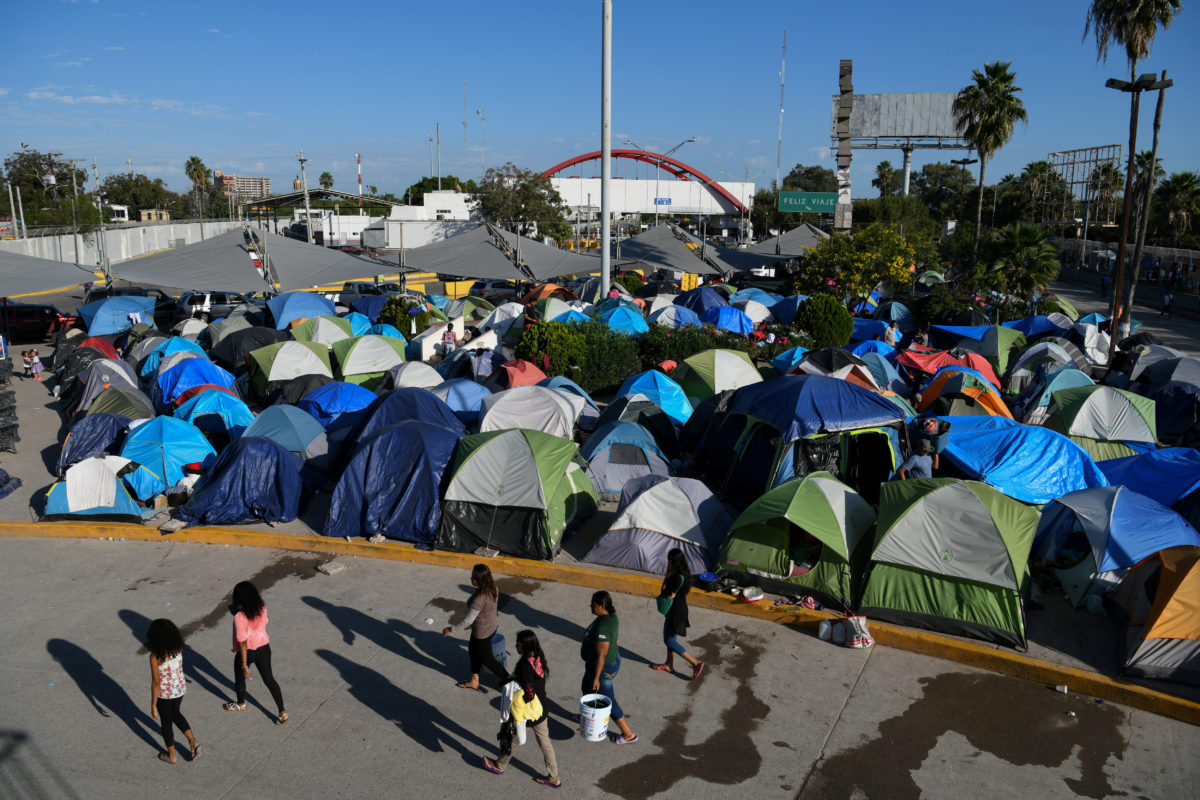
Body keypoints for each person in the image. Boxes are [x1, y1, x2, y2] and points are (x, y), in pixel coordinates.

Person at [482, 630, 561, 788]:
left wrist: (518, 704)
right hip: (542, 709)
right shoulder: (538, 656)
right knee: (545, 743)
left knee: (512, 739)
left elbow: (529, 692)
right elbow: (524, 679)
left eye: (518, 644)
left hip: (529, 713)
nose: (515, 646)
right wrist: (505, 682)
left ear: (524, 646)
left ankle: (499, 765)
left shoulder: (525, 665)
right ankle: (554, 777)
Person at [223, 581, 288, 724]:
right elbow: (263, 622)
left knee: (239, 679)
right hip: (264, 647)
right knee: (269, 679)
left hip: (248, 652)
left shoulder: (239, 616)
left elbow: (243, 641)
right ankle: (282, 711)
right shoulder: (262, 607)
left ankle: (241, 703)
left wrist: (245, 665)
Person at [580, 591, 637, 744]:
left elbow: (602, 656)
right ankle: (586, 715)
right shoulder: (611, 617)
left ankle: (628, 734)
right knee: (586, 687)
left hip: (602, 669)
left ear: (602, 606)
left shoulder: (602, 629)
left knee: (608, 702)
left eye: (594, 605)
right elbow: (615, 637)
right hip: (594, 666)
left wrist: (598, 678)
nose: (591, 607)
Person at [443, 563, 509, 690]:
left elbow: (467, 621)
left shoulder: (479, 599)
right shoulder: (493, 588)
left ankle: (509, 680)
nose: (471, 579)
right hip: (492, 626)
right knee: (473, 650)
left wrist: (451, 629)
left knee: (488, 660)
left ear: (481, 580)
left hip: (482, 633)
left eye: (474, 578)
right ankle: (474, 680)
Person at [146, 618, 201, 764]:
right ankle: (193, 741)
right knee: (176, 713)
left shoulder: (155, 656)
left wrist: (153, 704)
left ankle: (172, 755)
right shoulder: (178, 648)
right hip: (179, 689)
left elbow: (156, 682)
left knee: (166, 723)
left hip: (165, 694)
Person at [652, 548, 704, 681]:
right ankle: (669, 664)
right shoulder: (682, 574)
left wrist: (667, 576)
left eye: (670, 561)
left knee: (669, 641)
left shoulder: (677, 577)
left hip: (676, 613)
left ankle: (695, 663)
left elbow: (665, 592)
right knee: (670, 639)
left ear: (674, 562)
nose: (668, 562)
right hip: (674, 611)